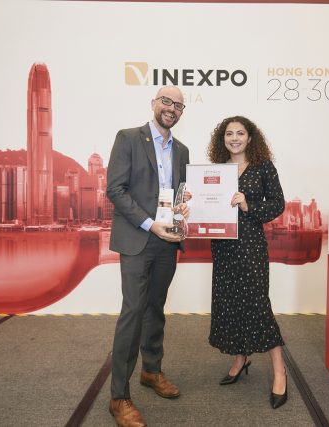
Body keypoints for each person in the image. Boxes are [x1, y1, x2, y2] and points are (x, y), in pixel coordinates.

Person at [106, 86, 189, 427]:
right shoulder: (128, 138)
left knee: (156, 308)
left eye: (178, 105)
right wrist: (149, 223)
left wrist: (183, 209)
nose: (171, 108)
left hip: (167, 241)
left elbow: (179, 194)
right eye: (166, 101)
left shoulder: (182, 150)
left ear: (181, 112)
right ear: (154, 103)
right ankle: (119, 396)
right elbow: (115, 189)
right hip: (138, 238)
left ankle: (151, 371)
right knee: (133, 313)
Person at [206, 116, 288, 409]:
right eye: (229, 133)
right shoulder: (216, 169)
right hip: (223, 246)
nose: (234, 138)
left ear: (250, 138)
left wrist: (247, 205)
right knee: (230, 302)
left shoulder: (263, 167)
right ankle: (241, 359)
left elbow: (277, 204)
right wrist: (193, 200)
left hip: (250, 244)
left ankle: (280, 370)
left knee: (256, 304)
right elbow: (206, 203)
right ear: (223, 139)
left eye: (240, 133)